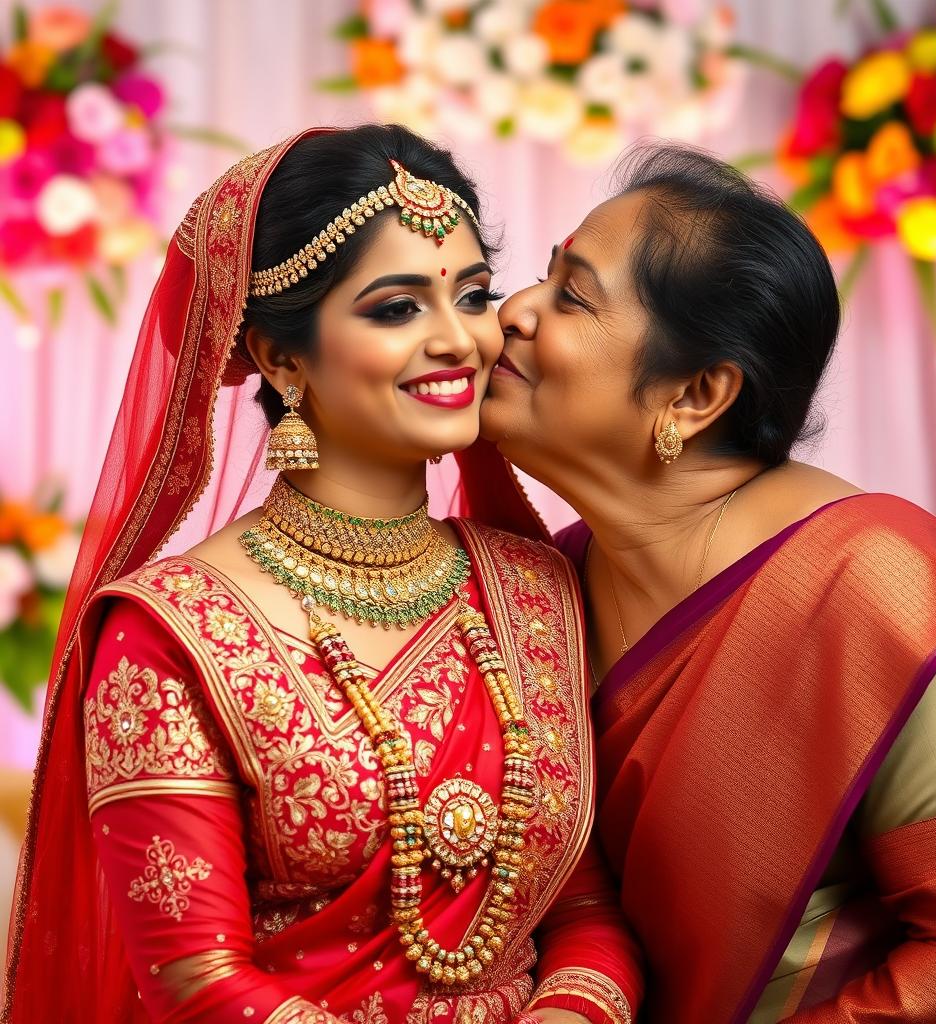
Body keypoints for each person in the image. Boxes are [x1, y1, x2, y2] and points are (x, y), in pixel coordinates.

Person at [2, 126, 642, 1024]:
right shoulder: (170, 632)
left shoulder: (536, 588)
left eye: (472, 295)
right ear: (279, 356)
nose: (460, 339)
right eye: (396, 308)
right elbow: (198, 985)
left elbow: (582, 908)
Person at [463, 144, 936, 1022]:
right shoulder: (549, 587)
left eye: (572, 295)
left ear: (694, 395)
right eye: (542, 277)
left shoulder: (873, 582)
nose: (516, 312)